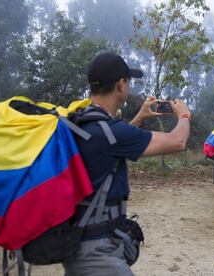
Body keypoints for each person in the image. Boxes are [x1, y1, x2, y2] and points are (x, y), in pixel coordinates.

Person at [63, 52, 191, 275]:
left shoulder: (80, 121)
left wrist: (139, 118)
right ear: (121, 84)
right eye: (128, 81)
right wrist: (184, 116)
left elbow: (111, 145)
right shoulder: (111, 132)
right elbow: (177, 141)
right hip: (97, 250)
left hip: (78, 239)